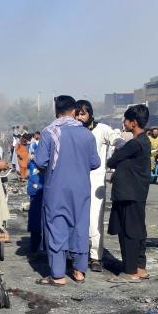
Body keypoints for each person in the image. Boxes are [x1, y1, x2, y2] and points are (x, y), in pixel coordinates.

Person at [34, 95, 100, 286]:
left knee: (56, 225)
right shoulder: (87, 134)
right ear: (74, 111)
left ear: (56, 111)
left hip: (56, 187)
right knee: (80, 225)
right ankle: (79, 271)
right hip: (81, 188)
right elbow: (95, 162)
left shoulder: (49, 132)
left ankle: (58, 275)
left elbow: (40, 161)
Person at [107, 105, 152, 283]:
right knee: (139, 230)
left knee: (129, 232)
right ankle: (140, 267)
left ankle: (130, 271)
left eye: (126, 120)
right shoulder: (144, 141)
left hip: (129, 194)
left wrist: (117, 152)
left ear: (133, 123)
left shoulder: (134, 143)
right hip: (137, 193)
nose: (124, 123)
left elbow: (112, 160)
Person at [76, 100, 121, 272]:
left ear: (90, 114)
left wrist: (123, 148)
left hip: (96, 180)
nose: (80, 117)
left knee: (95, 220)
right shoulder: (72, 131)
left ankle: (95, 256)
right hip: (76, 179)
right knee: (76, 218)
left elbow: (115, 139)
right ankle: (75, 253)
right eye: (77, 114)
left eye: (83, 113)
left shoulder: (101, 129)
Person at [27, 136, 44, 258]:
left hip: (47, 198)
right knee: (36, 225)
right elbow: (31, 188)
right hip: (37, 199)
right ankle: (34, 249)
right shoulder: (34, 168)